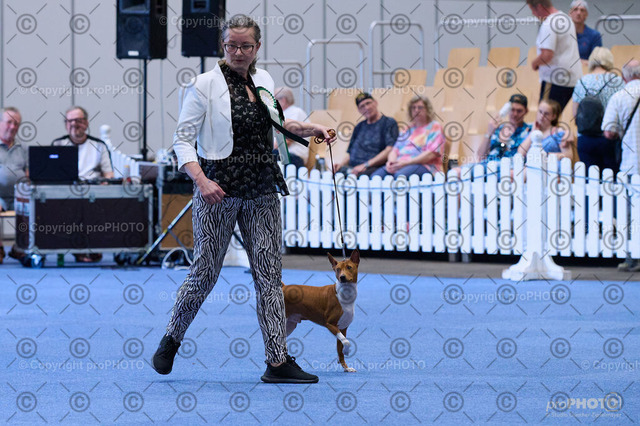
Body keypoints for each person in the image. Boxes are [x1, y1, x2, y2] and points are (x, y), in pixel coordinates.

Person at [152, 15, 336, 384]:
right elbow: (182, 141)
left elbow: (277, 125)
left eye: (246, 46)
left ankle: (277, 360)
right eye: (231, 45)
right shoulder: (204, 85)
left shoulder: (264, 79)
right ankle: (172, 338)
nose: (238, 52)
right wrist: (201, 181)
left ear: (257, 47)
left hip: (261, 188)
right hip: (217, 190)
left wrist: (311, 127)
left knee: (269, 276)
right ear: (222, 46)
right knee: (205, 273)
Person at [51, 106, 114, 263]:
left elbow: (109, 174)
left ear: (86, 123)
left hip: (93, 192)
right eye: (70, 121)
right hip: (65, 193)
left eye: (78, 120)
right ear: (66, 124)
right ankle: (81, 248)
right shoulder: (58, 144)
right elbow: (51, 174)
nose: (74, 124)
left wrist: (105, 185)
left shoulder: (99, 145)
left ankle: (87, 247)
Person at [602, 60, 640, 271]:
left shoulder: (619, 97)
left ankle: (633, 257)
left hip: (631, 163)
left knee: (631, 212)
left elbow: (608, 132)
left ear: (624, 77)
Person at [572, 47, 624, 172]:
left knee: (590, 178)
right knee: (612, 178)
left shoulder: (581, 82)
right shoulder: (617, 81)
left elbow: (575, 113)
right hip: (609, 137)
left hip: (585, 138)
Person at [527, 0, 583, 112]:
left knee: (545, 117)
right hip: (571, 79)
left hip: (555, 80)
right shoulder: (566, 18)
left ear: (539, 7)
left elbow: (547, 55)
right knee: (555, 116)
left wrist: (534, 63)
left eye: (532, 9)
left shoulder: (549, 24)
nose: (533, 13)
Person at [371, 95, 445, 178]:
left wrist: (406, 163)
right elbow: (394, 150)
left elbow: (431, 154)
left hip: (425, 165)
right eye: (413, 108)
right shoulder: (407, 129)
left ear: (427, 110)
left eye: (420, 107)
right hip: (400, 164)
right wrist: (391, 162)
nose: (416, 110)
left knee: (400, 176)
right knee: (376, 176)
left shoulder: (435, 127)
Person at [333, 92, 398, 176]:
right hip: (354, 168)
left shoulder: (388, 123)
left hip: (373, 167)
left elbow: (390, 149)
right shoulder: (359, 126)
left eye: (368, 103)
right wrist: (341, 164)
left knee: (360, 176)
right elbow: (350, 154)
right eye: (362, 106)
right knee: (336, 174)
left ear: (375, 102)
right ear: (359, 110)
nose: (366, 108)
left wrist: (365, 165)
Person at [0, 107, 27, 264]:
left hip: (19, 196)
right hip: (0, 197)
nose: (13, 127)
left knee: (35, 206)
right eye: (9, 122)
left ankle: (20, 247)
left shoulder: (23, 149)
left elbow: (30, 175)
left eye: (16, 124)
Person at [479, 94, 532, 162]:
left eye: (519, 111)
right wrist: (489, 133)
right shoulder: (497, 129)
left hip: (510, 166)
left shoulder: (529, 131)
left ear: (526, 111)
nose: (515, 114)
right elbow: (480, 156)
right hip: (488, 165)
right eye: (512, 110)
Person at [274, 87, 308, 168]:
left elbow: (287, 141)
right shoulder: (285, 113)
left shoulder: (295, 113)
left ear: (283, 100)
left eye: (274, 100)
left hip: (294, 156)